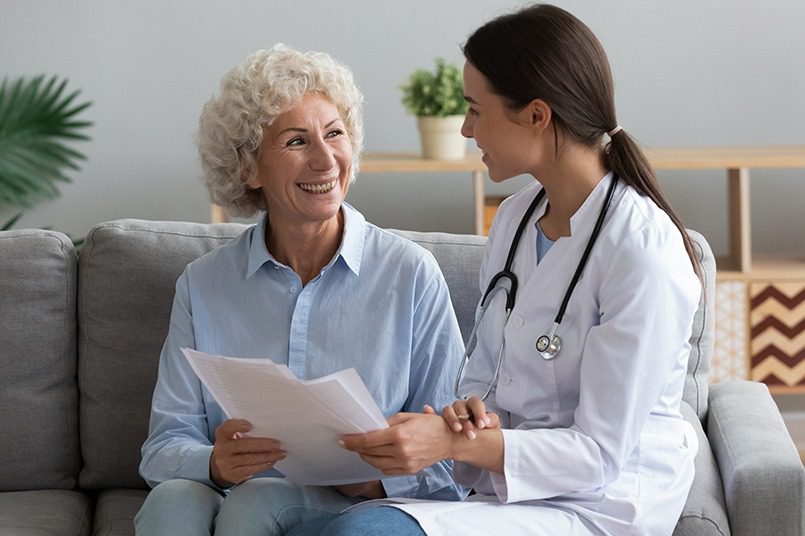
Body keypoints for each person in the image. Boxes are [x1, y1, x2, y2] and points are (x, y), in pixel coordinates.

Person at [288, 4, 703, 536]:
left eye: (476, 110)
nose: (465, 128)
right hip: (504, 495)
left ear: (536, 115)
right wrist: (453, 422)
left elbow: (598, 455)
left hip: (602, 502)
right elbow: (485, 385)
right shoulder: (515, 217)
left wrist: (452, 441)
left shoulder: (643, 252)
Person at [134, 44, 466, 536]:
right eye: (296, 142)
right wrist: (216, 464)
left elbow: (454, 458)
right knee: (172, 503)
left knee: (256, 504)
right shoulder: (204, 284)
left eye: (335, 134)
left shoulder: (410, 273)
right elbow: (163, 448)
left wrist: (377, 481)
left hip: (349, 509)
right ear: (249, 168)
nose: (326, 159)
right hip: (231, 493)